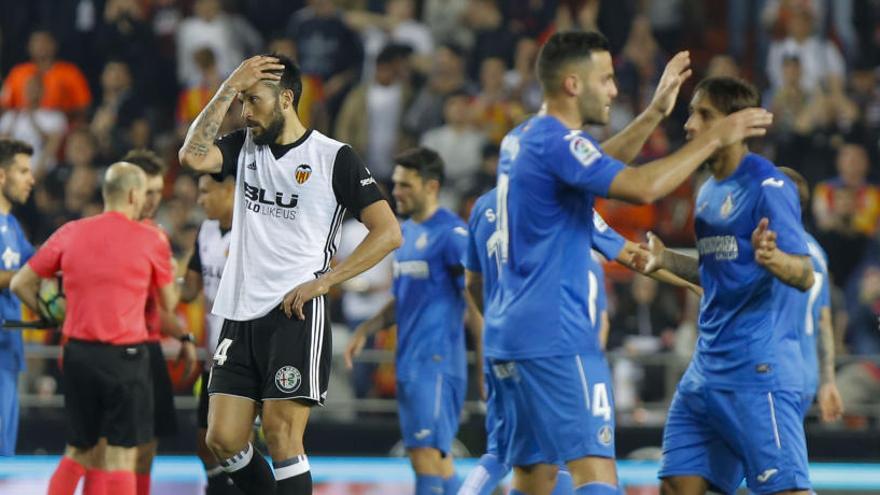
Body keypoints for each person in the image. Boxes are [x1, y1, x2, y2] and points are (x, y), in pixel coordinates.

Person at [484, 30, 770, 495]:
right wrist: (715, 136)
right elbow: (640, 187)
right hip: (557, 334)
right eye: (608, 79)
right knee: (596, 477)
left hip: (511, 334)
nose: (615, 90)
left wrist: (655, 111)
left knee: (533, 479)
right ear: (575, 84)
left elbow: (592, 167)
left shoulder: (524, 138)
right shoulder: (557, 141)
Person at [178, 53, 401, 495]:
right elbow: (191, 155)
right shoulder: (243, 147)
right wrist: (228, 87)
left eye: (253, 100)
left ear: (285, 98)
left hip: (294, 315)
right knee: (221, 440)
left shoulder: (334, 157)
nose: (245, 111)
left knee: (281, 437)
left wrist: (325, 281)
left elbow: (388, 232)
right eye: (241, 101)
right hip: (237, 314)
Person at [637, 77, 815, 495]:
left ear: (735, 124)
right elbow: (716, 276)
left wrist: (775, 260)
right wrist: (666, 259)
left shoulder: (769, 186)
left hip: (757, 374)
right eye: (691, 113)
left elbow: (804, 273)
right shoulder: (707, 191)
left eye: (704, 115)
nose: (690, 124)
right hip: (704, 373)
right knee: (677, 487)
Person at [11, 162, 176, 495]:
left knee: (78, 450)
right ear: (133, 194)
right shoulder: (150, 239)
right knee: (120, 456)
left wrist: (51, 315)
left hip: (78, 354)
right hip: (126, 359)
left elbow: (20, 283)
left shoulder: (70, 231)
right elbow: (169, 303)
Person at [344, 147, 478, 495]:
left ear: (431, 186)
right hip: (410, 360)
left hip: (436, 361)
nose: (397, 191)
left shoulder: (452, 234)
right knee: (437, 457)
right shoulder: (404, 235)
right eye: (396, 183)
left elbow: (478, 295)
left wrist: (488, 357)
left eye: (405, 185)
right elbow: (402, 301)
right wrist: (366, 329)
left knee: (424, 456)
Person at [123, 148, 197, 495]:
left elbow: (159, 309)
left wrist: (184, 338)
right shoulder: (106, 233)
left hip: (148, 350)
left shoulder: (156, 237)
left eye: (158, 192)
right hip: (114, 352)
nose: (154, 200)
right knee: (109, 450)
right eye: (147, 191)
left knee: (147, 447)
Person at [180, 173, 239, 495]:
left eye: (206, 191)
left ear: (229, 189)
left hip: (245, 354)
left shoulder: (252, 230)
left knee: (236, 441)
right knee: (207, 442)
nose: (200, 199)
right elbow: (189, 289)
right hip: (213, 355)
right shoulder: (205, 231)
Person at [778, 166, 844, 423]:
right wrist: (827, 381)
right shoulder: (816, 252)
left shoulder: (777, 252)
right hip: (802, 375)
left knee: (777, 460)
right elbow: (823, 320)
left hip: (777, 375)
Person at [0, 139, 36, 457]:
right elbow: (28, 274)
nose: (31, 179)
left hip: (8, 349)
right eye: (23, 171)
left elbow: (38, 265)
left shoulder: (12, 225)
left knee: (5, 453)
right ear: (1, 175)